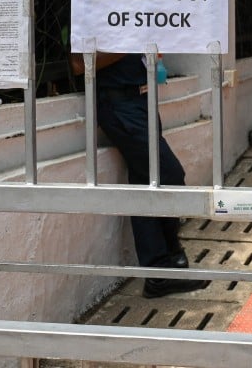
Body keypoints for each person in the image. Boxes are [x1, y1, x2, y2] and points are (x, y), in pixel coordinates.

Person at [70, 51, 211, 299]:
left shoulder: (132, 13)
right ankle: (168, 258)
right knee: (169, 175)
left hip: (141, 100)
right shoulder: (90, 13)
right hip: (118, 104)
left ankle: (159, 271)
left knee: (145, 183)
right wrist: (129, 42)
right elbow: (79, 64)